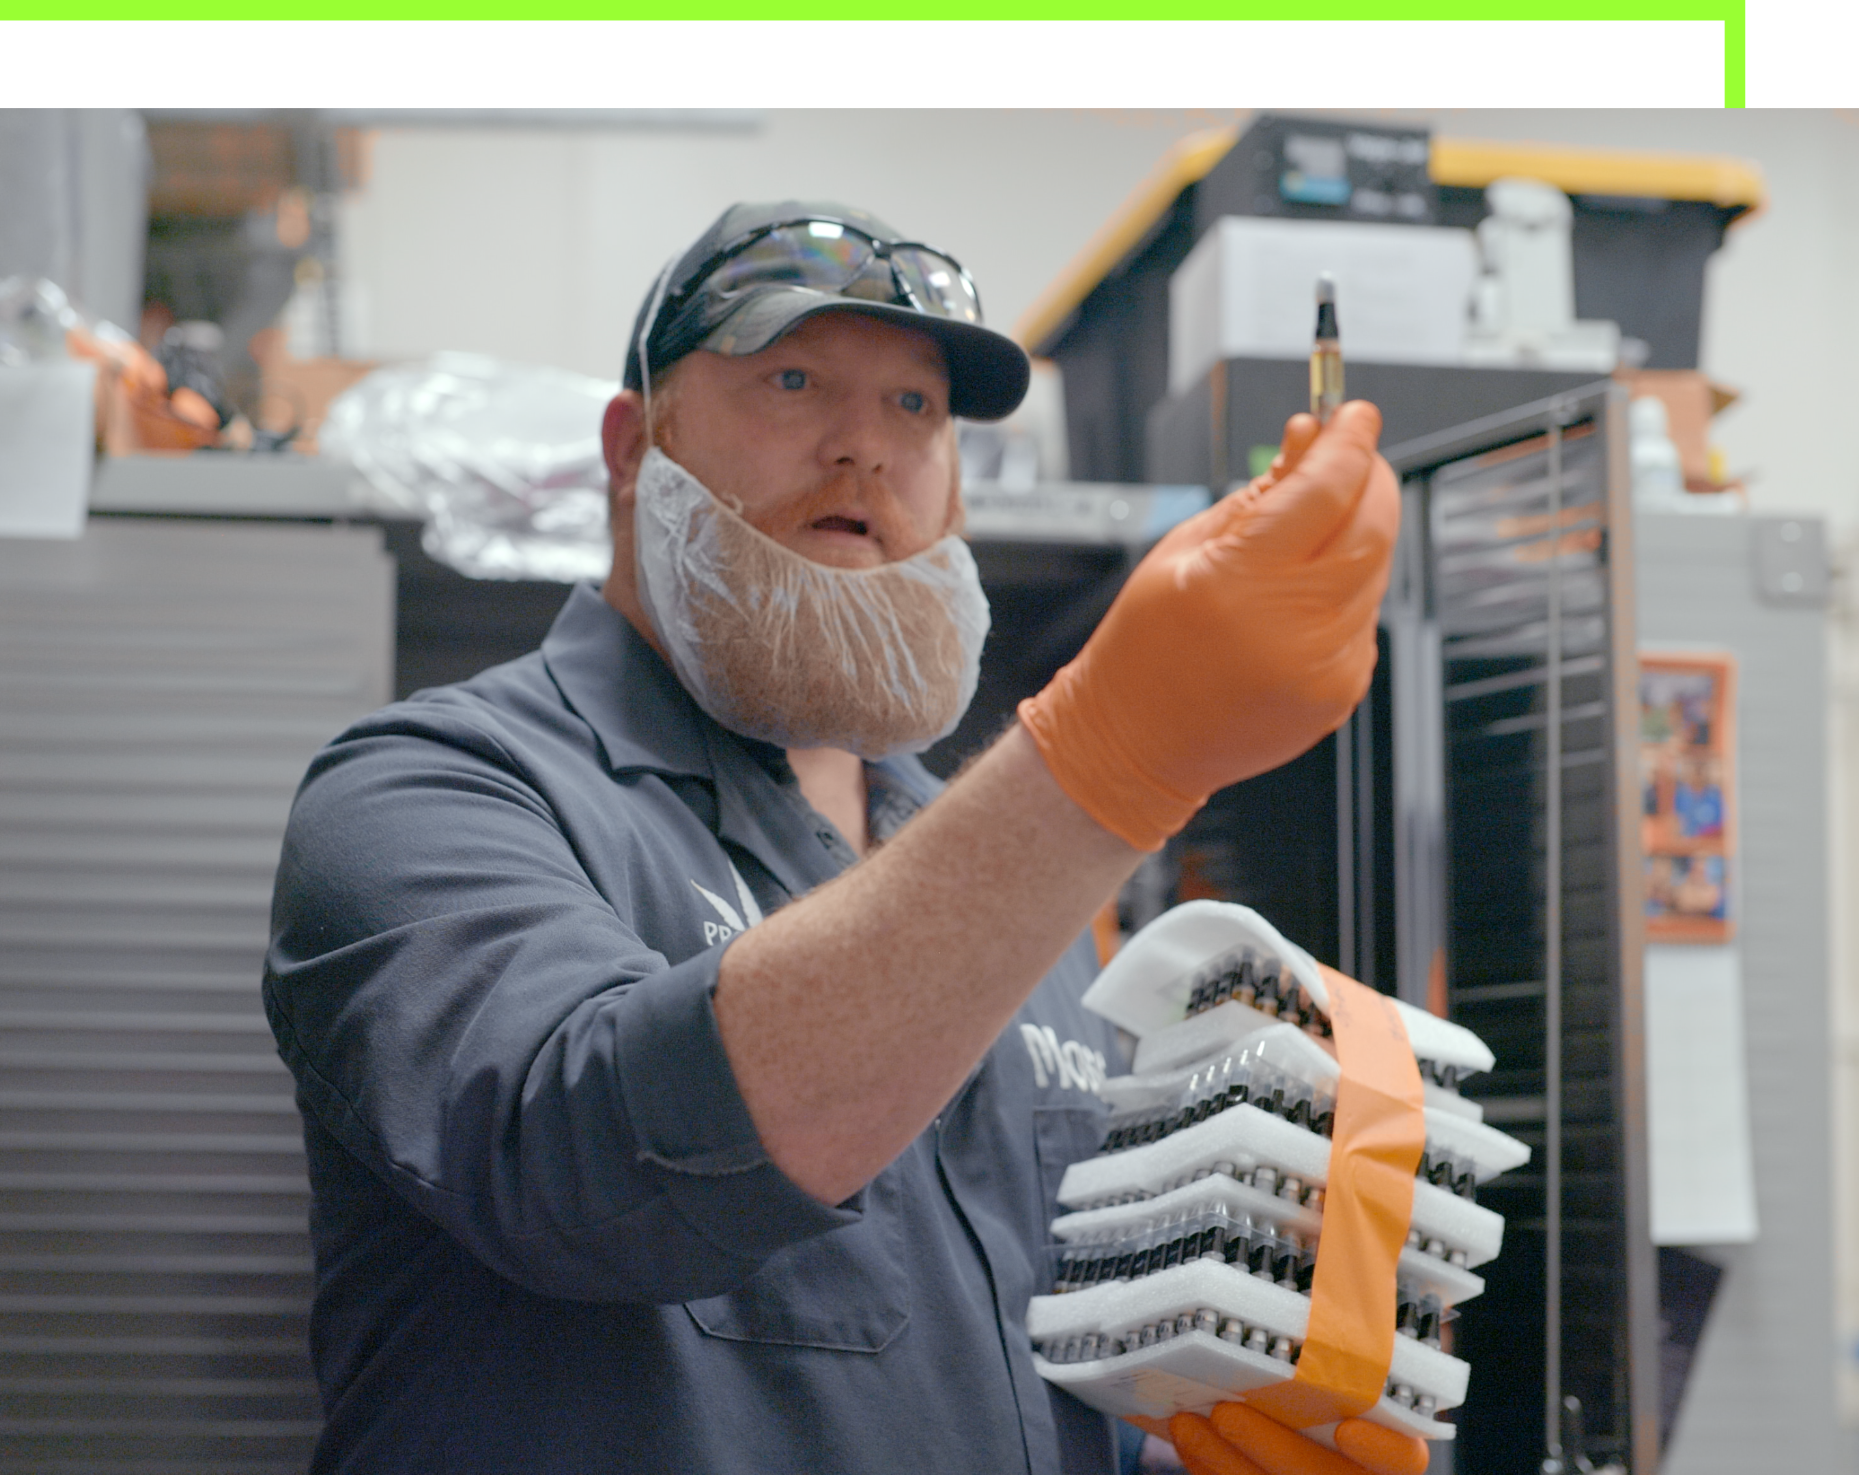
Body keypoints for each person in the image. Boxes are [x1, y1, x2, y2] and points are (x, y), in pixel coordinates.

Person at [265, 201, 1408, 1475]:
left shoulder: (1019, 889)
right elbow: (588, 1172)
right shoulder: (430, 791)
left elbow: (1035, 1356)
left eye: (915, 405)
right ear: (634, 446)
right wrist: (1111, 752)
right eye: (793, 379)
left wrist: (1188, 1449)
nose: (863, 443)